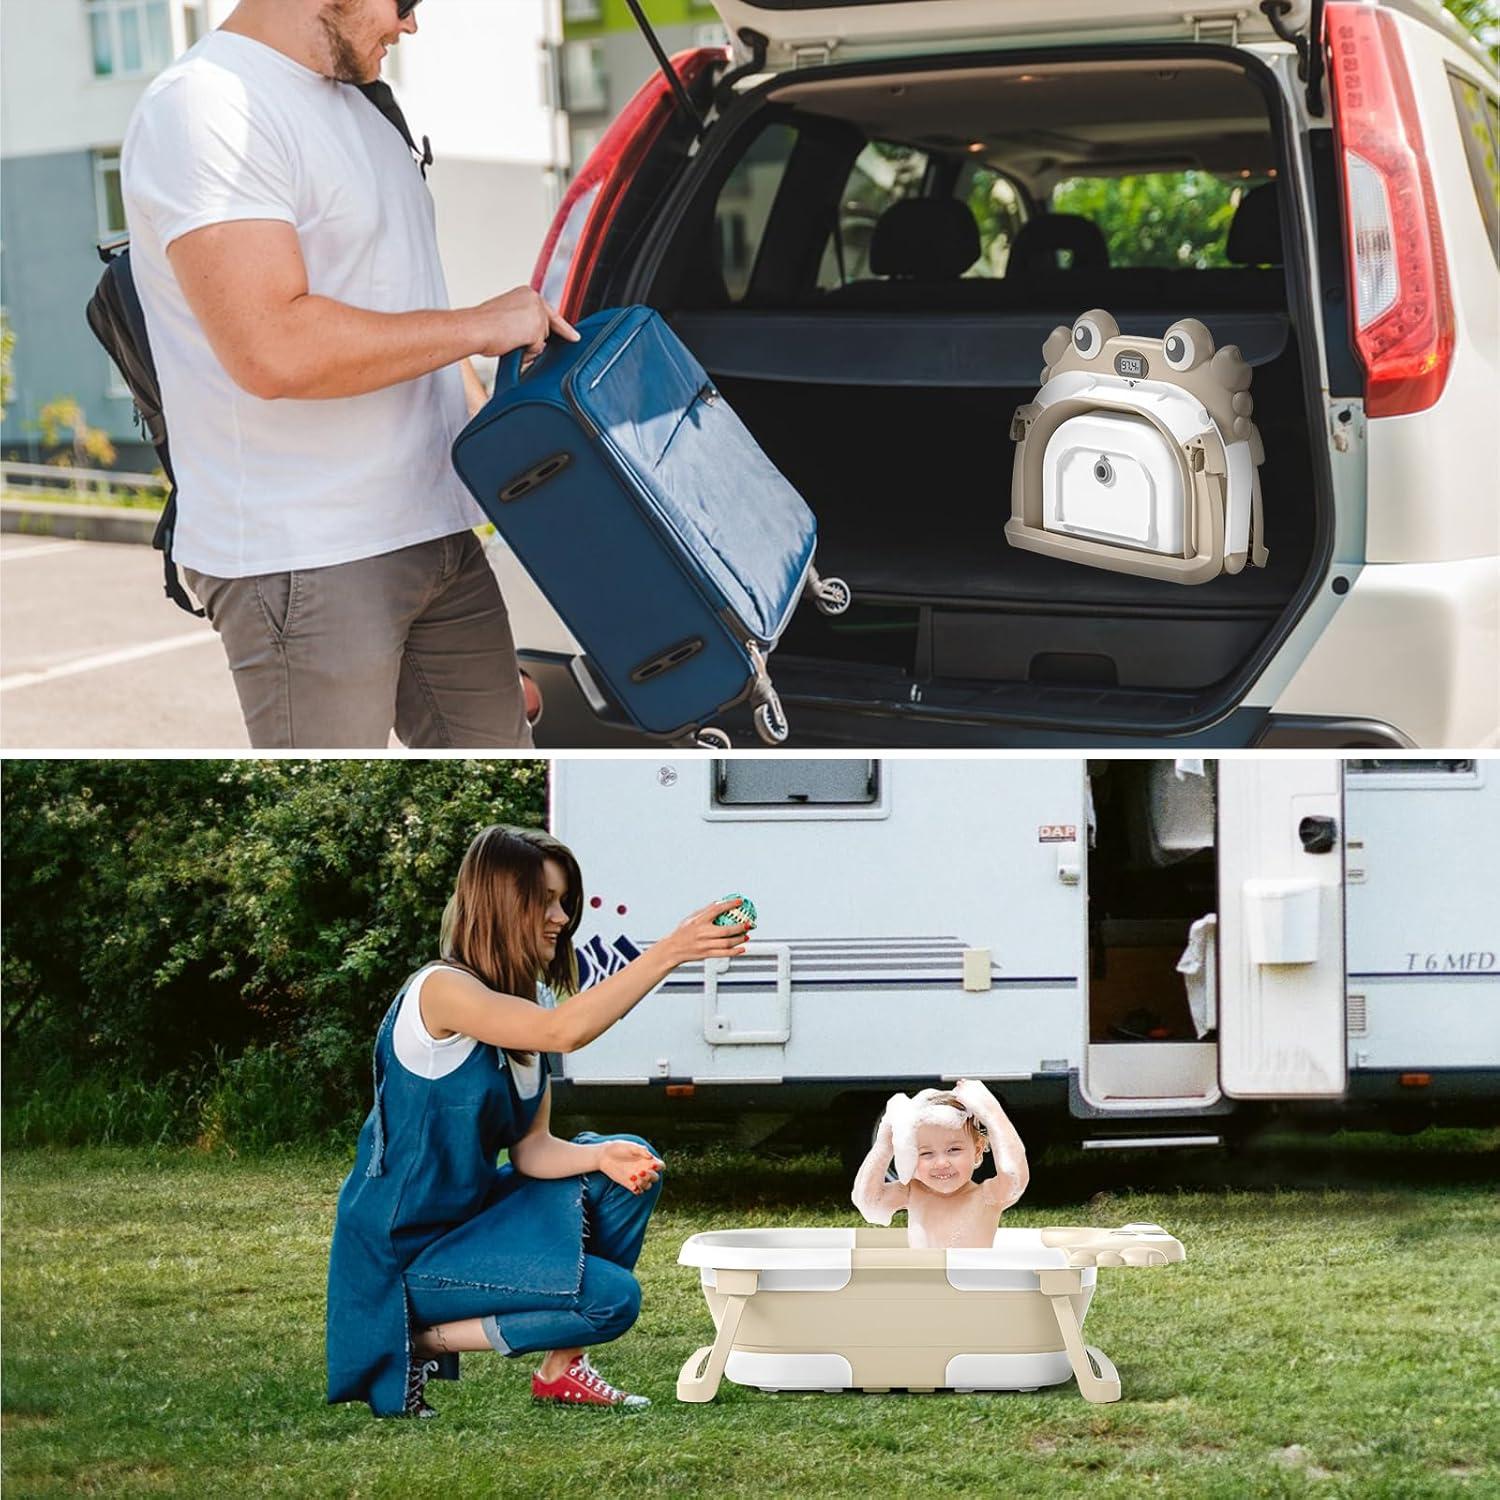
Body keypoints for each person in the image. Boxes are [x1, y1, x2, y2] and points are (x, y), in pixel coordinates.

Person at [120, 0, 578, 749]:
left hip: (437, 532)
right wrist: (480, 325)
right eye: (406, 1)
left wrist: (515, 453)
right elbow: (273, 348)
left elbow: (409, 312)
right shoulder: (207, 105)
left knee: (505, 777)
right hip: (308, 554)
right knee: (336, 791)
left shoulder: (366, 108)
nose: (411, 25)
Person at [326, 825, 752, 1416]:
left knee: (625, 1160)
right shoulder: (441, 991)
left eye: (564, 901)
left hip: (470, 1227)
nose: (561, 918)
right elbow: (562, 1032)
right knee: (612, 1300)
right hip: (402, 1256)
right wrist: (671, 950)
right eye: (545, 901)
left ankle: (562, 1368)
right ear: (501, 904)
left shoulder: (529, 1001)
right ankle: (416, 1339)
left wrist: (600, 1156)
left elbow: (532, 1149)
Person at [850, 1080, 1030, 1249]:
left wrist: (992, 1114)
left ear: (977, 1150)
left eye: (953, 1150)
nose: (942, 1163)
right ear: (910, 1155)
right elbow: (869, 1203)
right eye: (926, 1153)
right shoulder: (913, 1192)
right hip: (926, 1274)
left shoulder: (986, 1196)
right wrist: (884, 1144)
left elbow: (1015, 1177)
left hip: (972, 1273)